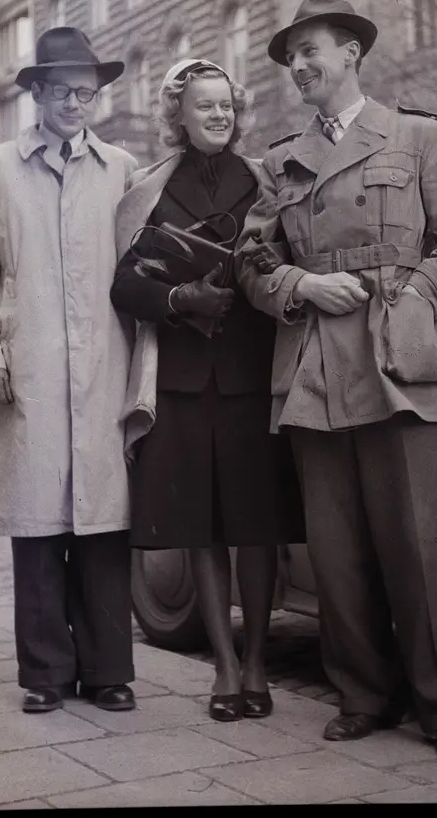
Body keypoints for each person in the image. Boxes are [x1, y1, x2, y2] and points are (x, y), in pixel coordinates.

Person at [236, 0, 437, 759]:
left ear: (350, 52)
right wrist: (300, 285)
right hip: (314, 364)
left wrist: (415, 297)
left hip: (394, 356)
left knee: (420, 545)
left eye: (309, 50)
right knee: (336, 550)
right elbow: (250, 264)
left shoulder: (416, 136)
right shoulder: (280, 162)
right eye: (290, 57)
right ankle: (362, 695)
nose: (298, 66)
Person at [111, 58, 304, 722]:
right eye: (204, 105)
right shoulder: (149, 189)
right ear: (179, 116)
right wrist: (177, 297)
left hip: (255, 375)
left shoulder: (267, 179)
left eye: (226, 105)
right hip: (184, 383)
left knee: (257, 528)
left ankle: (256, 666)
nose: (219, 115)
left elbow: (293, 259)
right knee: (203, 529)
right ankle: (223, 668)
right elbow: (124, 284)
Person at [0, 27, 140, 715]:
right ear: (36, 93)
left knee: (103, 522)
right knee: (36, 526)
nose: (73, 103)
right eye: (60, 90)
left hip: (102, 366)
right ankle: (45, 675)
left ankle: (108, 671)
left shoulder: (121, 169)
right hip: (26, 365)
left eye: (85, 93)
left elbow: (139, 270)